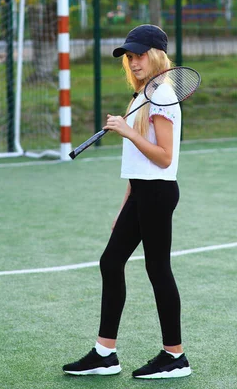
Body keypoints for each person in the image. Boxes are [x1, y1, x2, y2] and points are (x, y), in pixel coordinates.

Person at [63, 24, 191, 380]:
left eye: (139, 55)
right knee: (111, 261)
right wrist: (125, 205)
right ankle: (105, 354)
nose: (134, 62)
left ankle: (175, 356)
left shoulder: (163, 95)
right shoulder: (143, 94)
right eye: (129, 57)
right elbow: (138, 165)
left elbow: (164, 158)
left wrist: (127, 130)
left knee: (157, 269)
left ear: (156, 55)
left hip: (158, 192)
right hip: (142, 192)